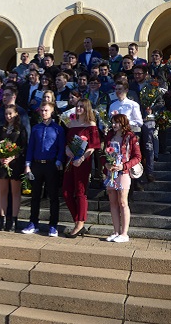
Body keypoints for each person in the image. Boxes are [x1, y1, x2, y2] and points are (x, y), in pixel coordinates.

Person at [22, 101, 65, 236]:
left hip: (51, 165)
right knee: (35, 196)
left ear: (52, 111)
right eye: (42, 110)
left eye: (46, 110)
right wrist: (27, 164)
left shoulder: (58, 129)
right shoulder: (36, 128)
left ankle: (53, 225)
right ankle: (33, 223)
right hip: (36, 164)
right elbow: (31, 147)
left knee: (53, 196)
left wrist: (59, 160)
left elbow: (61, 146)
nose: (43, 113)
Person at [62, 99, 101, 238]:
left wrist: (82, 158)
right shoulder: (71, 123)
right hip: (70, 160)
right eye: (77, 106)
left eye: (81, 107)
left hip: (83, 161)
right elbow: (67, 141)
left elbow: (93, 146)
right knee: (66, 192)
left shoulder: (91, 125)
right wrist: (67, 149)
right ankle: (77, 219)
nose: (78, 109)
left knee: (80, 192)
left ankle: (80, 223)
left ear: (87, 109)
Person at [103, 114, 141, 243]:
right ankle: (116, 232)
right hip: (110, 173)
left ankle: (124, 233)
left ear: (123, 123)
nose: (114, 125)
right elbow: (104, 154)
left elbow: (137, 157)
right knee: (113, 202)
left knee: (123, 202)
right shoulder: (109, 136)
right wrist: (106, 164)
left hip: (123, 172)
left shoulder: (130, 137)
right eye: (113, 122)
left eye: (117, 123)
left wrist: (124, 165)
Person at [0, 104, 27, 232]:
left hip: (15, 163)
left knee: (15, 193)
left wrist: (12, 157)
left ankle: (13, 220)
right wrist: (0, 156)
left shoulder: (21, 128)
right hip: (2, 163)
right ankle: (2, 219)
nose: (8, 116)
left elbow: (23, 146)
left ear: (16, 114)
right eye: (6, 114)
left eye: (10, 114)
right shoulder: (1, 128)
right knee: (3, 191)